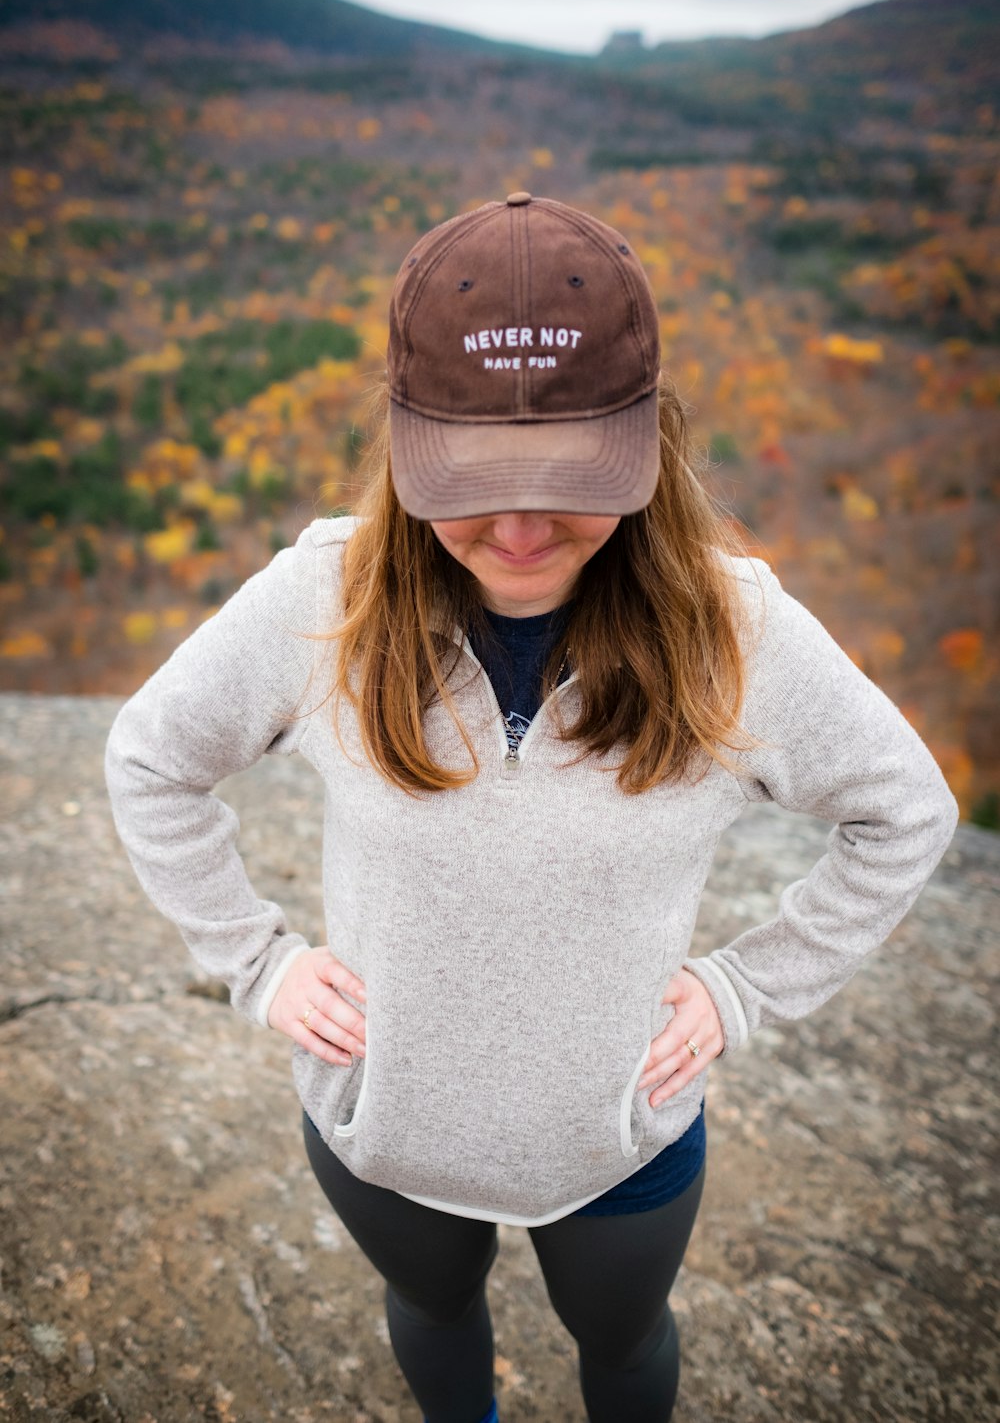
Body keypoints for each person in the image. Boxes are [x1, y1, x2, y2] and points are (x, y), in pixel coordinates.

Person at [105, 192, 959, 1423]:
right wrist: (257, 963)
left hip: (614, 1145)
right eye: (470, 480)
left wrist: (742, 987)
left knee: (623, 1350)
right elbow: (149, 758)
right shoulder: (324, 598)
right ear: (404, 446)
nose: (515, 531)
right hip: (386, 1127)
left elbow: (903, 813)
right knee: (435, 1314)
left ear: (647, 441)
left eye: (564, 480)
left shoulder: (737, 630)